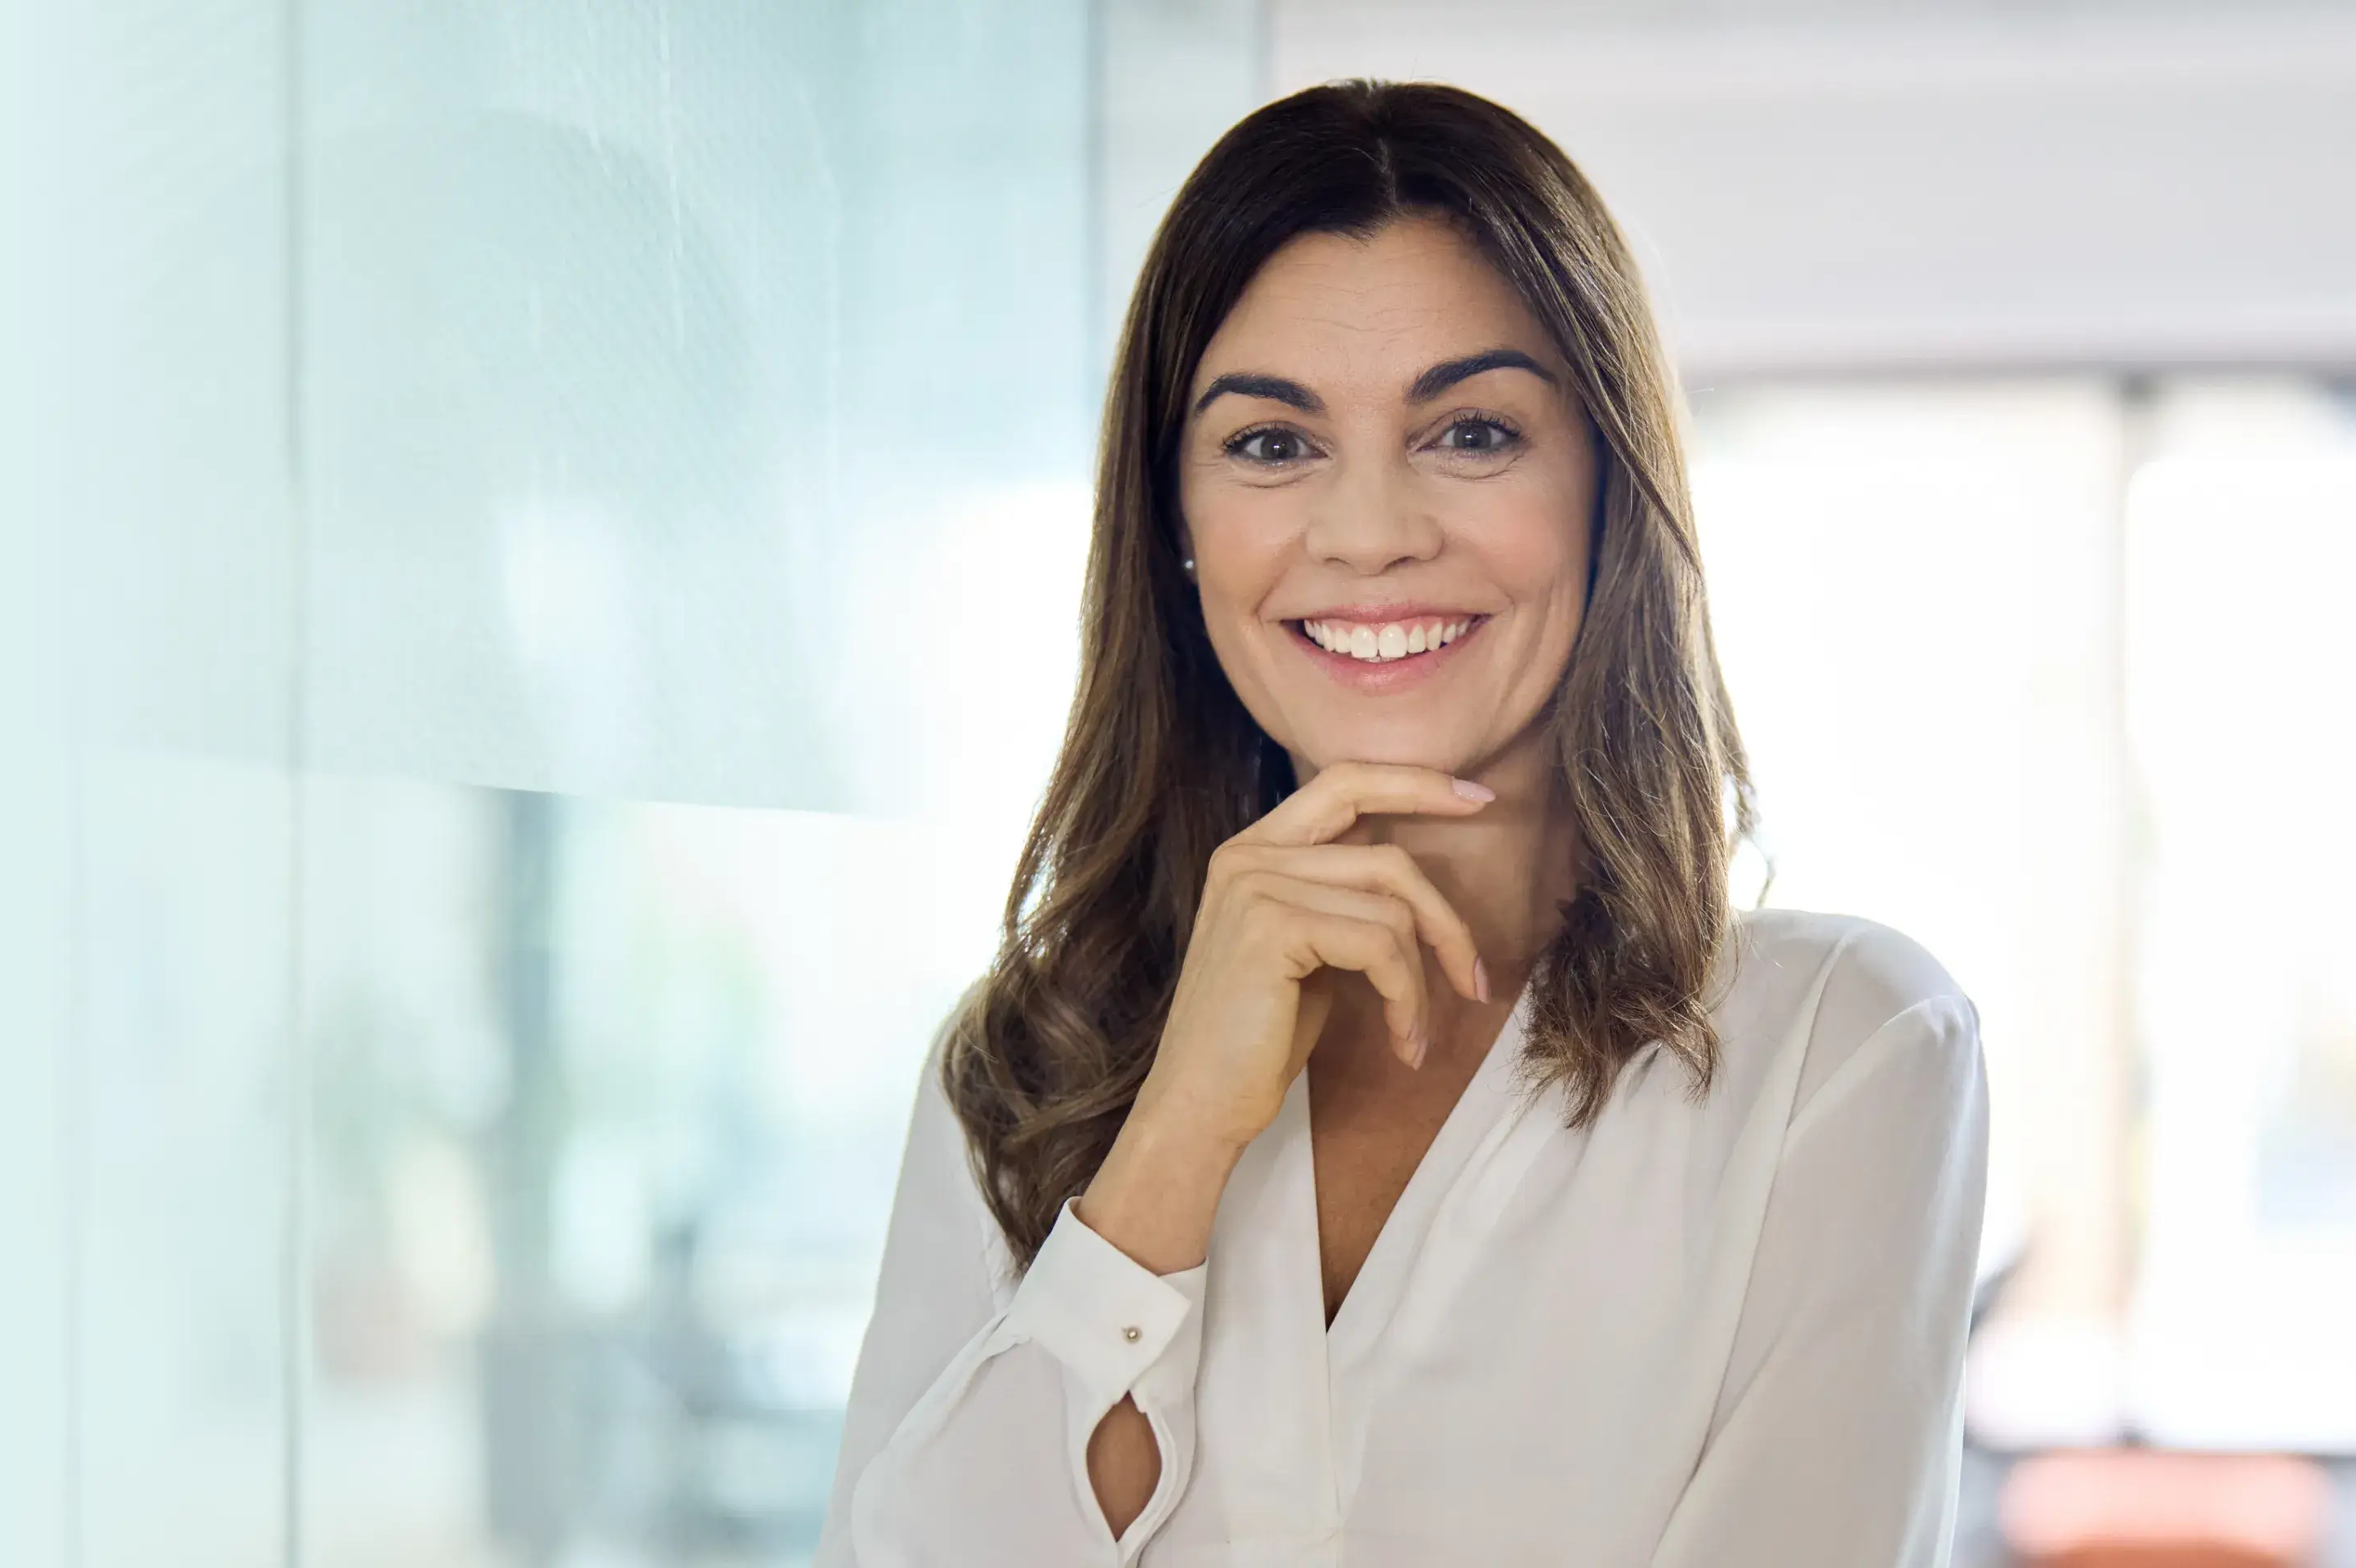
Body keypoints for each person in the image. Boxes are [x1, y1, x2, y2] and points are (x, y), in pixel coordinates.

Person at [815, 78, 1987, 1567]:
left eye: (1473, 432)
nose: (1369, 533)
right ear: (1174, 523)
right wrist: (1171, 1140)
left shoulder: (1838, 1052)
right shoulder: (1029, 1058)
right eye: (1271, 445)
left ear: (1607, 490)